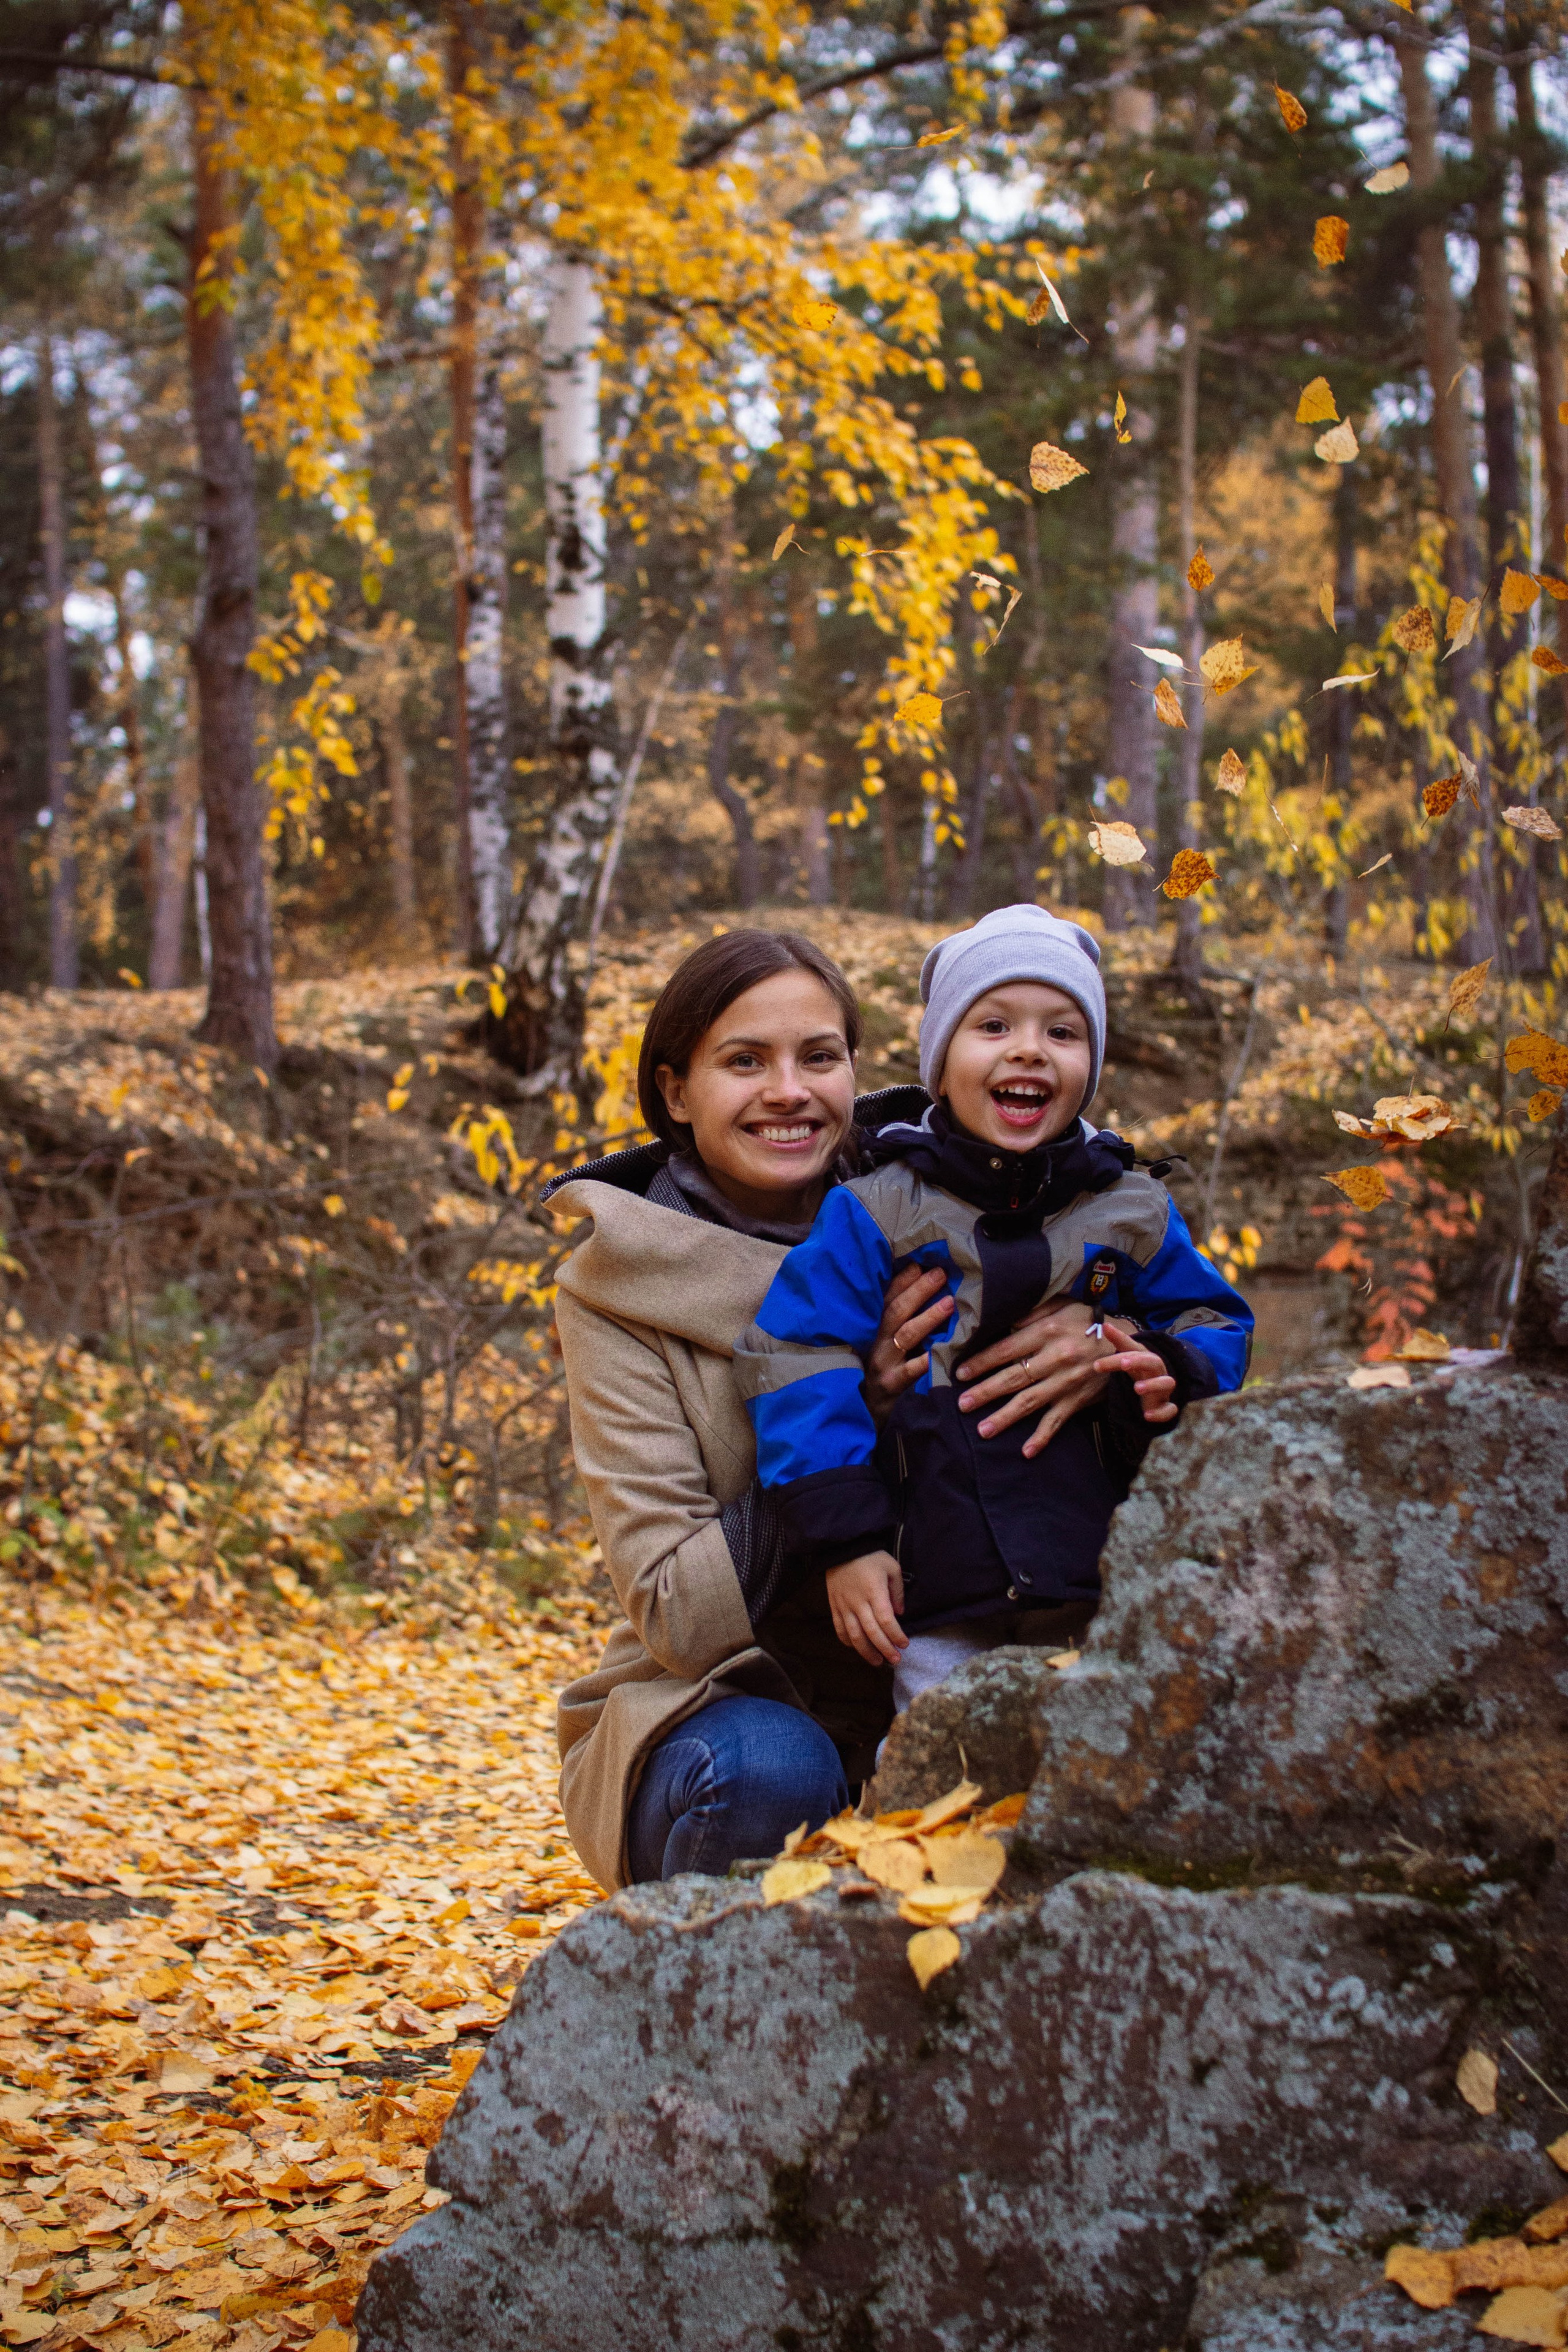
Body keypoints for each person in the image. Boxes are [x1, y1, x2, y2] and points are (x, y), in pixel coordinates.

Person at [543, 925, 1128, 1888]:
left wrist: (1106, 1340)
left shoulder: (956, 1192)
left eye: (820, 1057)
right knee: (773, 1773)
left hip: (973, 1646)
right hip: (723, 1708)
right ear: (676, 1090)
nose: (790, 1091)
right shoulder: (618, 1289)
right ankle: (700, 2015)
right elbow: (676, 1614)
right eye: (744, 1062)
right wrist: (856, 1407)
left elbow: (1137, 1260)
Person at [733, 903, 1253, 1711]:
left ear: (1092, 1065)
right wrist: (848, 1540)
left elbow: (1216, 1326)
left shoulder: (1133, 1209)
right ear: (939, 1065)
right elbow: (796, 1356)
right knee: (949, 1774)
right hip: (939, 1577)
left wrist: (1157, 1363)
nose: (1028, 1050)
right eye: (994, 1025)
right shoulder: (878, 1211)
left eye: (1063, 1032)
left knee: (1095, 1771)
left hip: (1104, 1569)